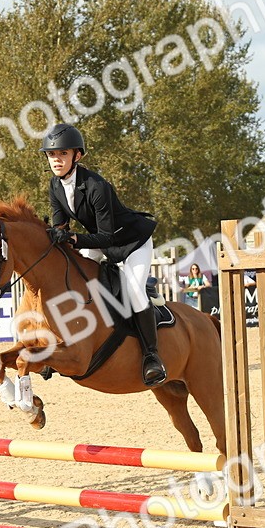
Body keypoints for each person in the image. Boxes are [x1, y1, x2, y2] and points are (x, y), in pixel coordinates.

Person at [41, 123, 165, 386]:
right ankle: (63, 345)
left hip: (132, 242)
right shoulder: (55, 186)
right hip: (100, 241)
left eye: (62, 154)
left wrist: (74, 238)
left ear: (77, 156)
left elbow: (108, 236)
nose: (56, 160)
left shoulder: (97, 186)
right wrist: (54, 235)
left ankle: (152, 356)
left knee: (133, 291)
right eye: (52, 155)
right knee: (76, 276)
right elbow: (59, 226)